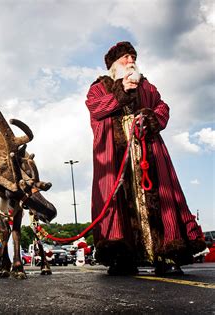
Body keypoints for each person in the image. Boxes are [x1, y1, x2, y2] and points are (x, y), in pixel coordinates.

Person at [85, 41, 206, 275]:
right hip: (116, 157)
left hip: (148, 151)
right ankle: (123, 257)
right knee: (118, 202)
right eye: (125, 58)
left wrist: (150, 117)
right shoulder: (100, 86)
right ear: (113, 65)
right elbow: (95, 109)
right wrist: (122, 91)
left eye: (133, 57)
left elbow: (163, 107)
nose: (131, 61)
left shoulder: (147, 86)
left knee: (162, 198)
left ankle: (167, 255)